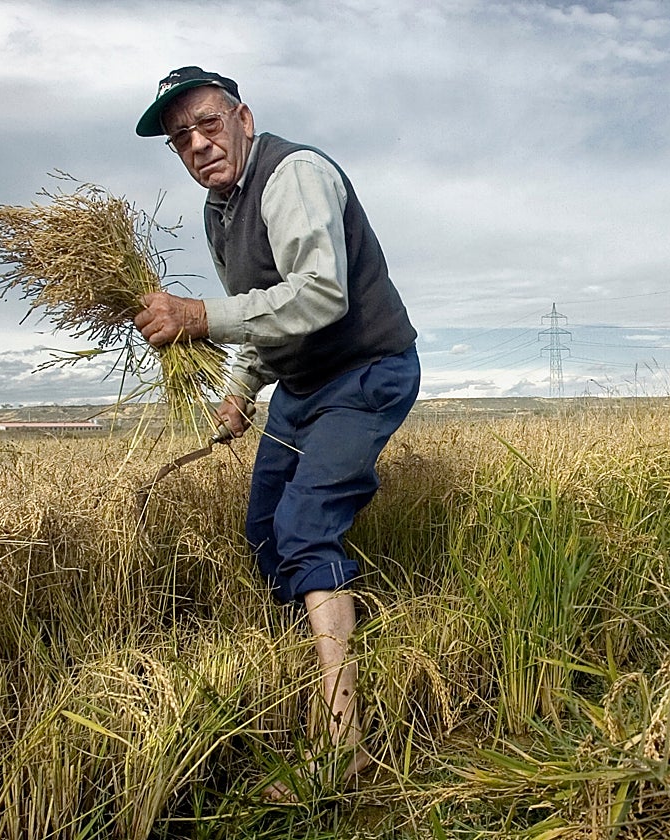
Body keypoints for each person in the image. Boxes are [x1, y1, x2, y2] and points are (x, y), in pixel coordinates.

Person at [132, 66, 420, 798]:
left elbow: (319, 294)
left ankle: (343, 750)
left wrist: (197, 317)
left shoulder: (294, 175)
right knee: (265, 532)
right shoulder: (219, 211)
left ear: (243, 118)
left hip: (363, 371)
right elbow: (263, 311)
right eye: (179, 139)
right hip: (300, 385)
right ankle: (326, 658)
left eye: (206, 123)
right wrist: (238, 391)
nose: (196, 144)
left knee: (304, 528)